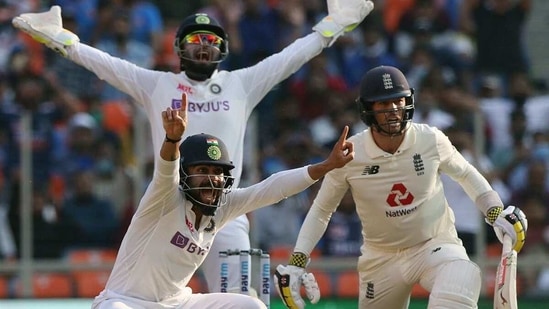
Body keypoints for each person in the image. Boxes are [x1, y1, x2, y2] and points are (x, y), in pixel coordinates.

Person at [11, 0, 374, 294]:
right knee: (144, 297)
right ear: (179, 48)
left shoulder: (241, 83)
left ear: (224, 49)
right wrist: (57, 37)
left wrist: (334, 24)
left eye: (212, 41)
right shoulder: (157, 84)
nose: (204, 46)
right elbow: (104, 64)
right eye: (196, 40)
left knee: (242, 300)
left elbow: (291, 57)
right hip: (169, 209)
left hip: (225, 210)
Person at [273, 65, 528, 309]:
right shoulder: (350, 154)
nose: (394, 109)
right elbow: (321, 210)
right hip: (381, 257)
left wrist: (495, 212)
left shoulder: (430, 139)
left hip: (434, 244)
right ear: (367, 109)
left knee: (461, 276)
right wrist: (298, 262)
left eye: (399, 101)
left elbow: (467, 175)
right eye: (384, 103)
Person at [91, 92, 354, 309]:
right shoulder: (164, 198)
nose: (212, 179)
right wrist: (172, 139)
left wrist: (326, 166)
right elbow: (166, 168)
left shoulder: (223, 206)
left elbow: (271, 188)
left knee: (253, 306)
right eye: (202, 171)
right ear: (184, 174)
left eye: (217, 172)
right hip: (126, 301)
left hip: (177, 303)